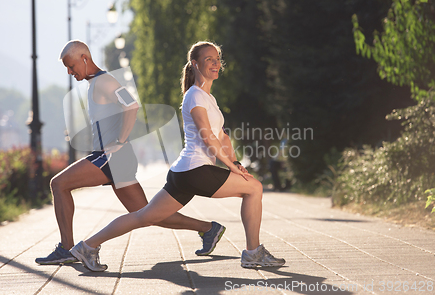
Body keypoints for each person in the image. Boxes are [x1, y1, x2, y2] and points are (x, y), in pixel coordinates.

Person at [70, 41, 286, 271]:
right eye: (208, 59)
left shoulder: (207, 98)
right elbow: (207, 137)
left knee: (144, 216)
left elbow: (222, 137)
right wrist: (229, 167)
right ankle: (253, 253)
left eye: (217, 59)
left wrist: (235, 163)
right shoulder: (194, 96)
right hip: (196, 170)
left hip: (184, 173)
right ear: (195, 64)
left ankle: (87, 246)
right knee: (254, 188)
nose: (215, 63)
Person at [35, 40, 225, 265]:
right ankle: (208, 228)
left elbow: (131, 105)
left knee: (59, 184)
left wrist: (119, 140)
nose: (69, 72)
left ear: (84, 59)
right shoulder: (96, 82)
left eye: (71, 66)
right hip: (117, 158)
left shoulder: (103, 81)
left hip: (112, 157)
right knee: (146, 214)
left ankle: (66, 248)